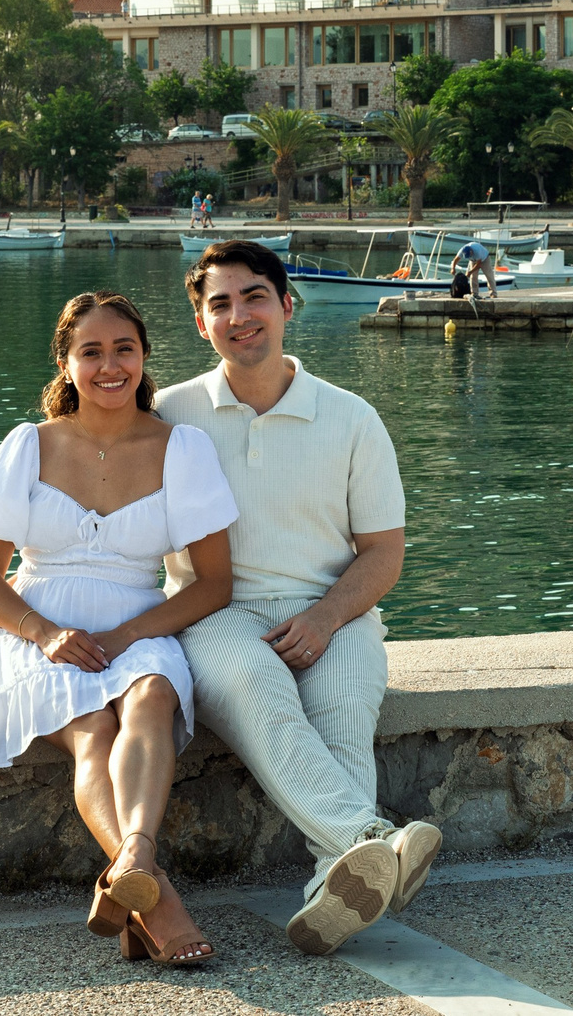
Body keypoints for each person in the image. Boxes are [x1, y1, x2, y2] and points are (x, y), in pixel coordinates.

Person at [157, 240, 440, 957]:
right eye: (219, 303)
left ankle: (332, 888)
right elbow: (99, 511)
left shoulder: (351, 419)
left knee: (343, 707)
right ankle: (369, 839)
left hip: (333, 606)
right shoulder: (166, 414)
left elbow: (384, 550)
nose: (238, 315)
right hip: (215, 611)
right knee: (258, 684)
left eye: (254, 296)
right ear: (201, 322)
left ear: (287, 305)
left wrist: (325, 615)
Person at [0, 292, 239, 967]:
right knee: (93, 729)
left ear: (144, 357)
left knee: (148, 698)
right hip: (37, 627)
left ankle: (133, 859)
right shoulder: (28, 445)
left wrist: (126, 636)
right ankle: (157, 897)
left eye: (124, 349)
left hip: (140, 620)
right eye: (92, 351)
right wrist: (45, 631)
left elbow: (213, 583)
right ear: (66, 361)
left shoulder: (183, 447)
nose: (110, 365)